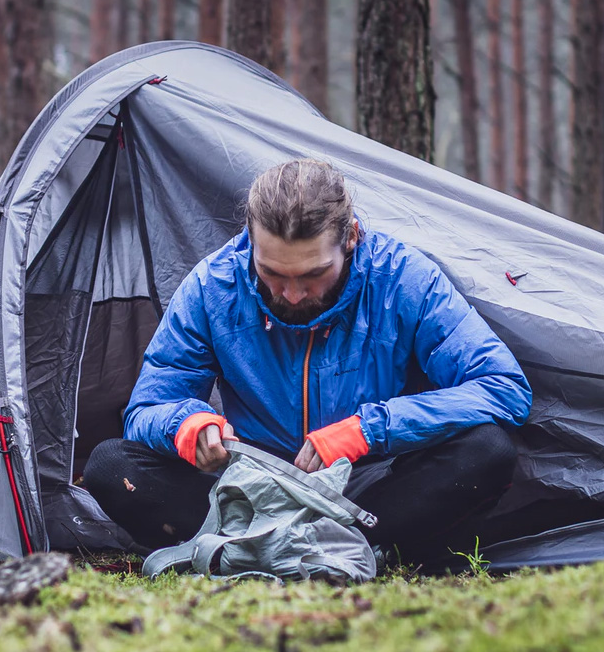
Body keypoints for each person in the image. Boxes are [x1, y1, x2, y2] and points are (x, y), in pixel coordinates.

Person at [83, 159, 532, 566]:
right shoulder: (211, 287)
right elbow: (146, 409)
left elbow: (503, 387)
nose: (293, 294)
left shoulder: (404, 279)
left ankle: (328, 551)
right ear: (250, 244)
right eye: (272, 274)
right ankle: (279, 550)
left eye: (314, 275)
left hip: (364, 489)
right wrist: (188, 426)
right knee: (109, 466)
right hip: (245, 490)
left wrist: (366, 430)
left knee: (487, 451)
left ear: (351, 237)